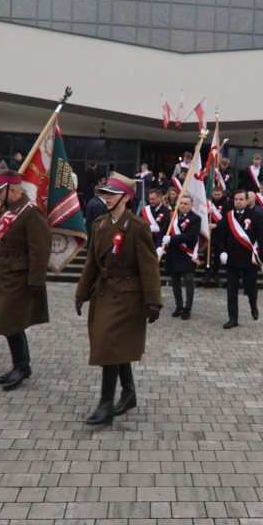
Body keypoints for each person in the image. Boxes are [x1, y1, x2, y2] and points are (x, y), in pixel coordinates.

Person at [75, 172, 162, 425]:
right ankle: (129, 392)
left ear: (126, 197)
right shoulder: (99, 224)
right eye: (105, 193)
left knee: (109, 344)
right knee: (113, 344)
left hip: (127, 296)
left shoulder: (137, 226)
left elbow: (149, 265)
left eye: (112, 194)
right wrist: (82, 291)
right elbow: (92, 261)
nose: (107, 197)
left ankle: (106, 404)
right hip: (103, 292)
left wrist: (153, 300)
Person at [0, 169, 51, 391]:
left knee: (11, 322)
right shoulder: (4, 210)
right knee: (8, 322)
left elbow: (40, 248)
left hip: (18, 276)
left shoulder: (31, 212)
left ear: (12, 190)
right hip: (2, 274)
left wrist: (37, 281)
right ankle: (21, 365)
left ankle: (22, 367)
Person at [215, 190, 263, 329]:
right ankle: (233, 318)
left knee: (250, 288)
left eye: (241, 199)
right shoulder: (228, 217)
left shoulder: (255, 216)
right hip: (232, 260)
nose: (238, 202)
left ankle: (253, 304)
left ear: (247, 201)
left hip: (249, 260)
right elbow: (220, 237)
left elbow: (261, 239)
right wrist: (222, 252)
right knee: (231, 290)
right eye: (236, 199)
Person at [160, 194, 201, 320]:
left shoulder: (196, 218)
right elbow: (164, 231)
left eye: (185, 204)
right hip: (173, 254)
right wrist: (159, 246)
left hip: (187, 254)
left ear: (191, 205)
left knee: (188, 281)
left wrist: (172, 239)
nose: (182, 206)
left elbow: (191, 236)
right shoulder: (172, 216)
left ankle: (187, 308)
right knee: (175, 282)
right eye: (181, 203)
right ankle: (179, 306)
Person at [203, 186, 229, 285]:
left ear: (221, 194)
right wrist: (206, 212)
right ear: (212, 194)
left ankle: (215, 273)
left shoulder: (225, 204)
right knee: (207, 254)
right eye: (215, 194)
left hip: (220, 233)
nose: (217, 196)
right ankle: (207, 273)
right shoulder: (208, 203)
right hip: (209, 233)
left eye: (218, 194)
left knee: (218, 254)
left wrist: (217, 225)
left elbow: (226, 218)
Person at [84, 175, 108, 245]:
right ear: (103, 193)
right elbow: (99, 224)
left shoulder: (93, 202)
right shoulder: (98, 205)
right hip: (96, 240)